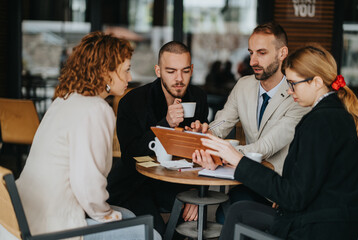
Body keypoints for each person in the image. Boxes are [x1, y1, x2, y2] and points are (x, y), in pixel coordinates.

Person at [193, 43, 358, 240]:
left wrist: (237, 159)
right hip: (331, 221)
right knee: (239, 209)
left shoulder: (320, 121)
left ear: (316, 82)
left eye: (293, 83)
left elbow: (295, 196)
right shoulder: (336, 114)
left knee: (237, 212)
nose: (289, 91)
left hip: (317, 228)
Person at [12, 32, 161, 240]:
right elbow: (87, 183)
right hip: (56, 225)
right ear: (105, 72)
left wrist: (108, 213)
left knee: (129, 215)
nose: (129, 77)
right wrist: (106, 214)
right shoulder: (96, 109)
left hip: (27, 216)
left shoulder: (64, 100)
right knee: (152, 234)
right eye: (126, 70)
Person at [188, 22, 309, 223]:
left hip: (280, 191)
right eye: (251, 52)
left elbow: (263, 148)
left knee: (228, 217)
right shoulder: (244, 85)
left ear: (282, 53)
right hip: (249, 180)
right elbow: (222, 123)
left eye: (261, 53)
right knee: (225, 215)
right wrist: (205, 134)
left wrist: (218, 151)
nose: (253, 60)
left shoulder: (297, 95)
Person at [106, 41, 209, 235]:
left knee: (196, 221)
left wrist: (196, 192)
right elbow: (131, 156)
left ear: (192, 70)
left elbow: (200, 156)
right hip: (135, 184)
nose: (179, 79)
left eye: (185, 71)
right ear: (158, 71)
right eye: (171, 71)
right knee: (157, 232)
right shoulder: (132, 102)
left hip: (175, 183)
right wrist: (165, 124)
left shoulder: (198, 97)